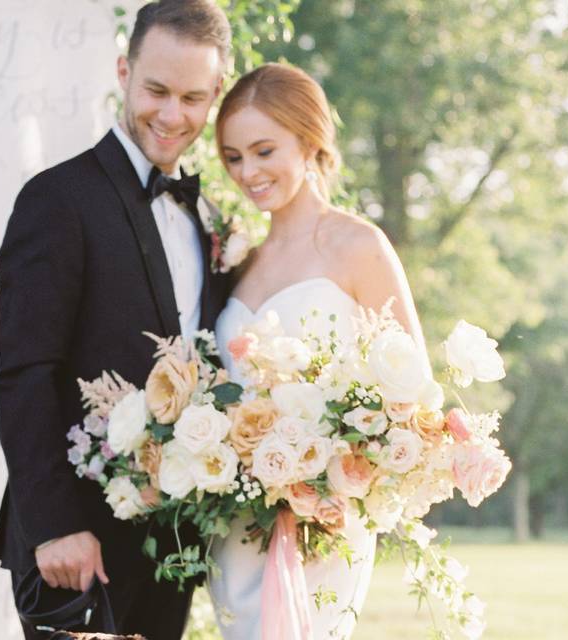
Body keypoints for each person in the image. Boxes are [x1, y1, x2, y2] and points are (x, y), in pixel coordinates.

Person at [0, 2, 233, 638]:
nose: (172, 115)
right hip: (76, 548)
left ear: (215, 96)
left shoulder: (207, 218)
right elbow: (23, 373)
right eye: (156, 90)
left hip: (168, 545)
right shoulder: (57, 198)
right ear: (124, 70)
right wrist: (55, 525)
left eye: (192, 97)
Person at [209, 63, 428, 639]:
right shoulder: (239, 262)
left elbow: (415, 391)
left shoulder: (357, 246)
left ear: (309, 141)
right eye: (233, 157)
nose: (247, 172)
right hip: (238, 524)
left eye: (263, 150)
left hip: (324, 519)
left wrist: (331, 464)